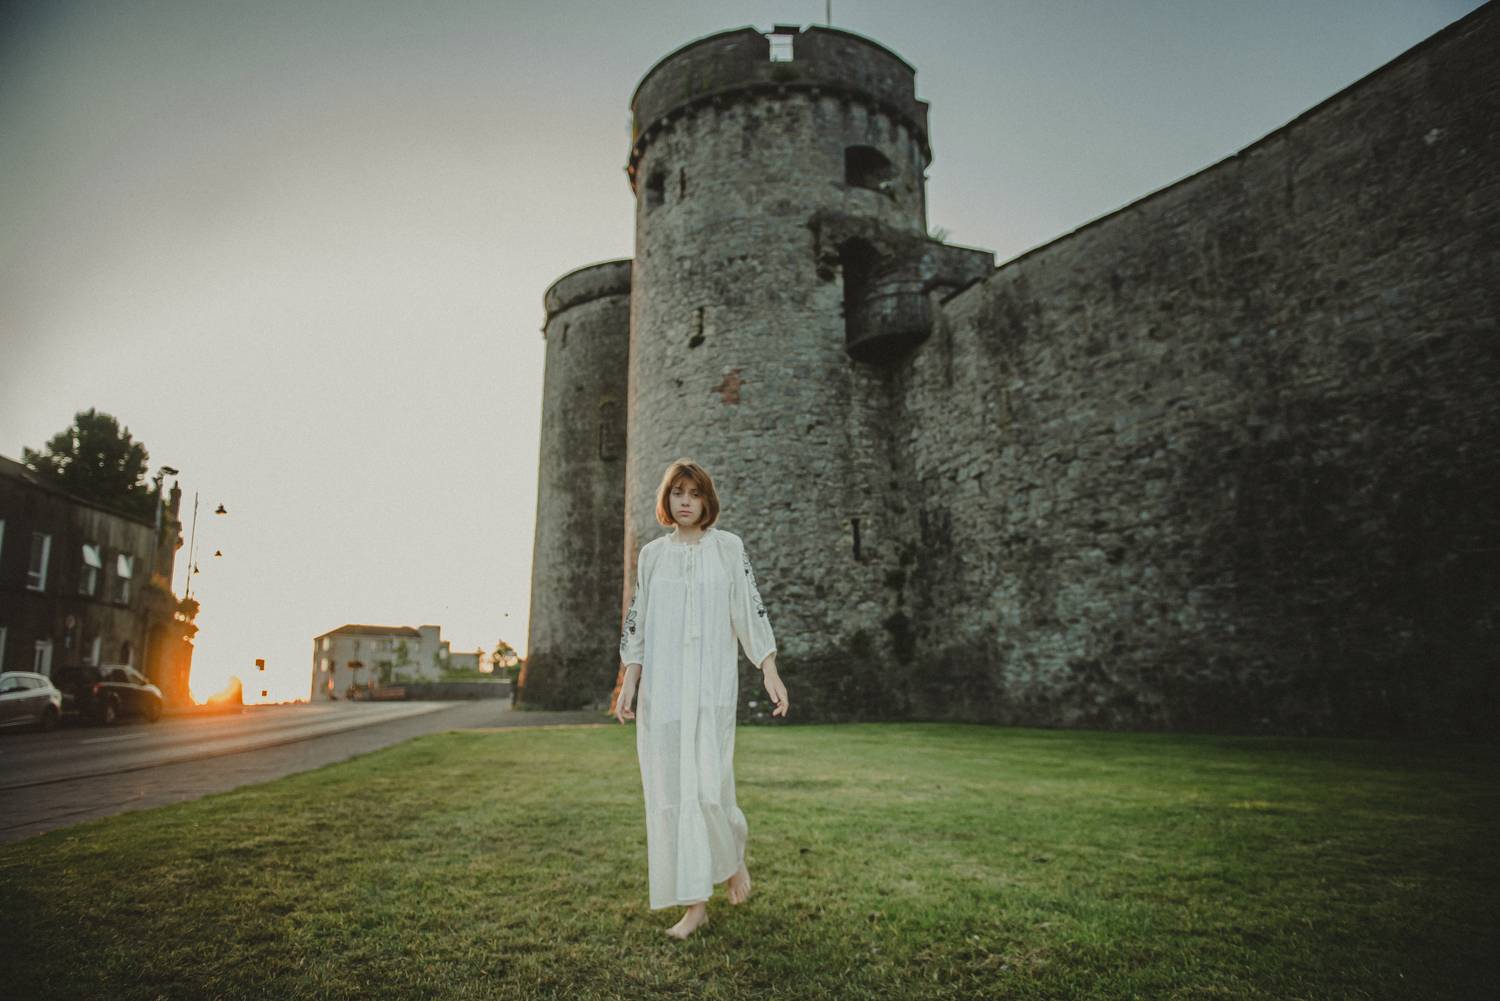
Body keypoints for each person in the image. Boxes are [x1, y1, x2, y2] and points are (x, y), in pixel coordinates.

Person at [613, 458, 790, 940]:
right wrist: (630, 682)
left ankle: (731, 859)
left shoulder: (728, 548)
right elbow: (638, 621)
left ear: (707, 500)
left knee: (711, 787)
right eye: (678, 493)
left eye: (694, 493)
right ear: (666, 500)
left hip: (711, 689)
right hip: (665, 693)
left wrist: (769, 668)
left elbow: (749, 609)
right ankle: (695, 905)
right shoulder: (653, 556)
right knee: (673, 792)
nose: (685, 502)